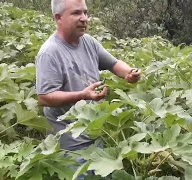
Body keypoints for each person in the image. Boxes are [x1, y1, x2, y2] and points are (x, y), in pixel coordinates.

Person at [35, 0, 141, 176]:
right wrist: (82, 95)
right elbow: (44, 97)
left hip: (95, 139)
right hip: (69, 148)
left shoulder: (88, 42)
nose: (84, 18)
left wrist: (129, 73)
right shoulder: (50, 53)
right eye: (76, 13)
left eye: (85, 13)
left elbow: (113, 63)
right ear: (58, 17)